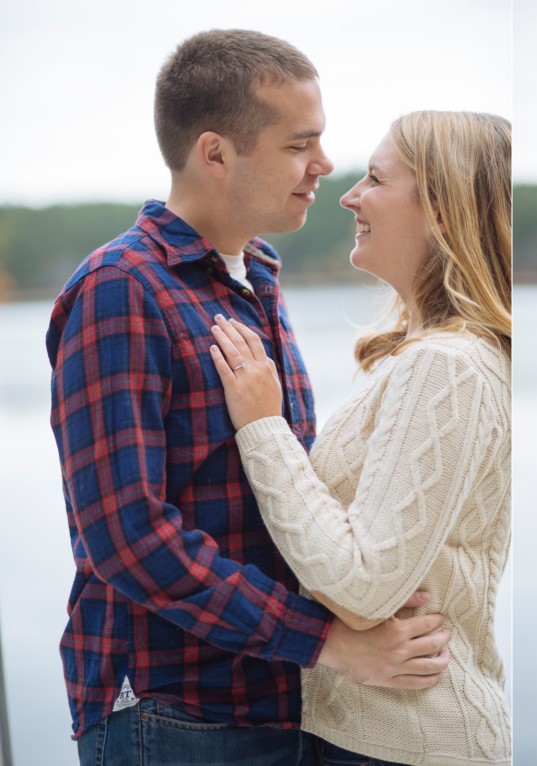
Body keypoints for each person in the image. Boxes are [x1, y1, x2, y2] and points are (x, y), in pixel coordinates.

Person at [46, 30, 450, 766]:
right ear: (215, 153)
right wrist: (329, 642)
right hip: (172, 712)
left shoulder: (255, 277)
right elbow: (127, 536)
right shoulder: (122, 288)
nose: (325, 166)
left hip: (274, 703)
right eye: (301, 145)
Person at [207, 110, 512, 766]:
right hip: (375, 735)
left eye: (375, 179)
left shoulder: (448, 366)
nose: (349, 196)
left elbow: (365, 585)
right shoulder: (429, 358)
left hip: (412, 738)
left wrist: (264, 427)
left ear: (442, 210)